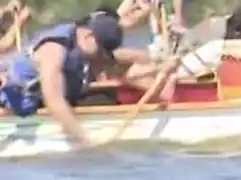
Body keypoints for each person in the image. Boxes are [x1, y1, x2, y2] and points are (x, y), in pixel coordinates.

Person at [0, 11, 176, 148]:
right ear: (88, 37)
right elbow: (54, 101)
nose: (102, 58)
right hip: (18, 100)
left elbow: (120, 64)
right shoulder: (53, 49)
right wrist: (86, 144)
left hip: (56, 93)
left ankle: (171, 99)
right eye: (101, 52)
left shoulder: (86, 43)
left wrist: (160, 67)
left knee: (116, 78)